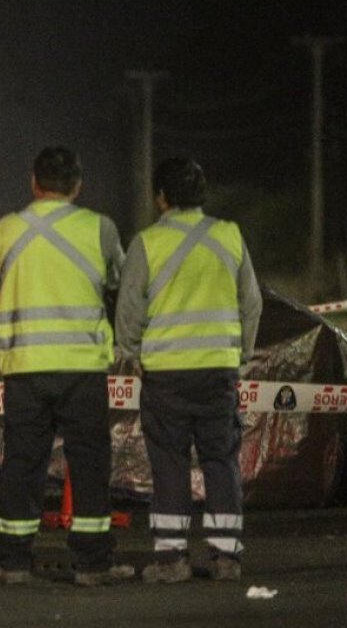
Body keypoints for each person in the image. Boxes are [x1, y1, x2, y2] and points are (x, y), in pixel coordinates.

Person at [115, 157, 262, 584]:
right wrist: (241, 356)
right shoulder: (230, 235)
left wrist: (132, 352)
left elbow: (128, 309)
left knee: (169, 465)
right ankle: (226, 558)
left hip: (165, 376)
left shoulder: (147, 243)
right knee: (221, 461)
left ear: (161, 197)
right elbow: (251, 303)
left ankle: (171, 561)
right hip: (218, 373)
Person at [0, 146, 133, 587]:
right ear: (78, 185)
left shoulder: (6, 229)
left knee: (22, 464)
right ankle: (93, 564)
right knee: (89, 464)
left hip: (25, 366)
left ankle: (13, 562)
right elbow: (118, 281)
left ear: (34, 183)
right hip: (81, 368)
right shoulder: (100, 228)